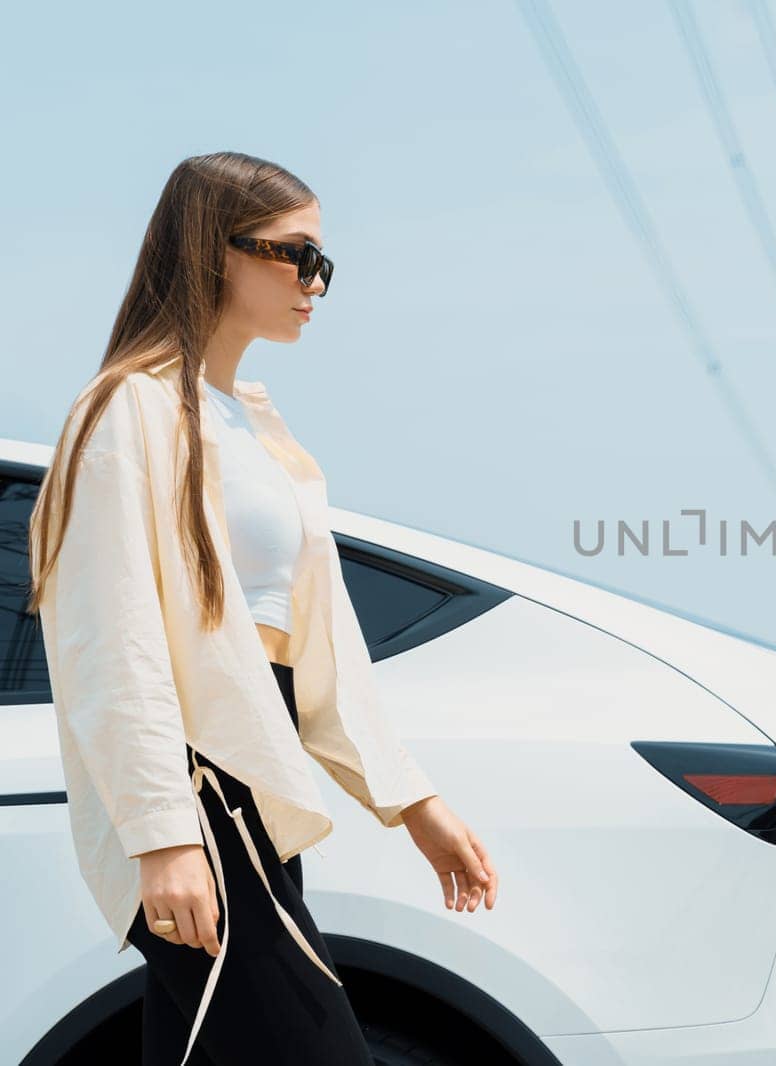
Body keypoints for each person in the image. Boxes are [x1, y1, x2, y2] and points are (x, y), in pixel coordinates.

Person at [24, 151, 500, 1066]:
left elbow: (318, 647)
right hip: (200, 791)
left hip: (257, 780)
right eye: (298, 255)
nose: (316, 282)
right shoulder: (127, 409)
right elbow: (109, 641)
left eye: (325, 263)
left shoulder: (254, 429)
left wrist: (411, 800)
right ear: (215, 249)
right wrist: (162, 836)